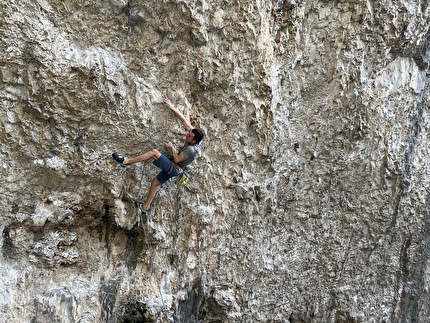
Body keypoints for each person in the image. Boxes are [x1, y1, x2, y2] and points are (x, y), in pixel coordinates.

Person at [112, 98, 204, 213]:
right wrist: (171, 106)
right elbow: (183, 119)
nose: (187, 136)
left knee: (154, 153)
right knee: (155, 183)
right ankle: (145, 207)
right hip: (176, 168)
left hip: (175, 168)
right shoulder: (194, 136)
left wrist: (171, 147)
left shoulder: (191, 149)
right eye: (189, 133)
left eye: (190, 136)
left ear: (195, 141)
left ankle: (125, 161)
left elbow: (176, 158)